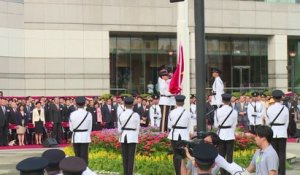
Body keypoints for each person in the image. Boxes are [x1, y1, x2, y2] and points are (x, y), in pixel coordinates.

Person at [265, 90, 289, 175]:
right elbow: (287, 122)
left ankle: (274, 172)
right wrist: (283, 129)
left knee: (274, 155)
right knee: (282, 154)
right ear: (281, 98)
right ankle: (282, 173)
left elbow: (267, 122)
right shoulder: (285, 108)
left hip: (273, 132)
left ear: (273, 98)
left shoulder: (270, 108)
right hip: (282, 132)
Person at [214, 93, 238, 175]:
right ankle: (229, 173)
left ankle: (222, 173)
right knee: (230, 157)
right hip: (230, 134)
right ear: (230, 100)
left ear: (222, 100)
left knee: (221, 156)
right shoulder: (234, 111)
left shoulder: (217, 111)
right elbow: (234, 124)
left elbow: (216, 125)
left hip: (220, 134)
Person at [168, 95, 192, 175]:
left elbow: (169, 125)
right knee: (183, 155)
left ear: (176, 102)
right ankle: (183, 172)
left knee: (176, 155)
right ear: (183, 102)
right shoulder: (187, 113)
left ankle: (177, 172)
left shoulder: (172, 112)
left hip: (174, 134)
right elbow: (189, 125)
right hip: (184, 135)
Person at [118, 96, 140, 175]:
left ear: (124, 104)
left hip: (123, 136)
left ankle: (125, 173)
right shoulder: (136, 115)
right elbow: (138, 128)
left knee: (125, 157)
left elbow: (119, 130)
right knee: (131, 158)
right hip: (132, 137)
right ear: (132, 104)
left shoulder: (121, 114)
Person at [69, 96, 93, 165]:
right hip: (85, 137)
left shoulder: (72, 114)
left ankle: (77, 170)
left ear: (76, 104)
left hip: (76, 136)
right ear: (85, 103)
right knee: (84, 156)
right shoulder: (89, 114)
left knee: (77, 156)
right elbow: (90, 128)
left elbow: (71, 128)